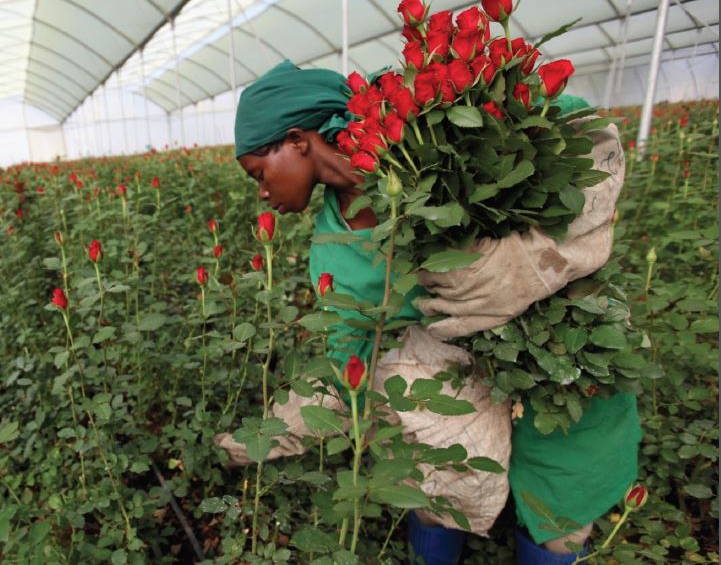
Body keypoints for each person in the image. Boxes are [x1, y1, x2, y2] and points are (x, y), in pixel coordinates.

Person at [217, 59, 641, 564]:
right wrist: (280, 426)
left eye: (258, 174)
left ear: (296, 140)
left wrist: (531, 258)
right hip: (464, 364)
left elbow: (577, 135)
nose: (262, 193)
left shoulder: (420, 124)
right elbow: (349, 350)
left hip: (563, 338)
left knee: (564, 483)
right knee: (431, 472)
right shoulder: (334, 246)